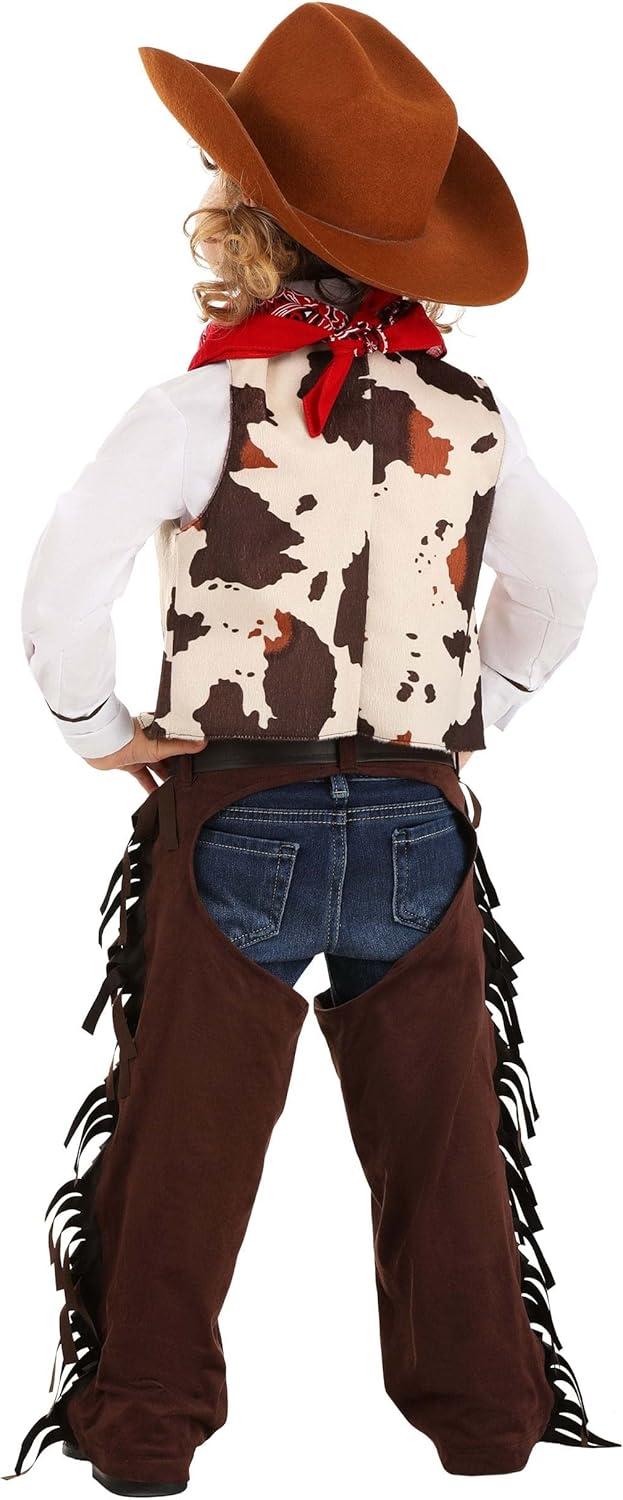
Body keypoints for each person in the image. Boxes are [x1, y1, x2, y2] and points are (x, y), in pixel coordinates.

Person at [10, 5, 615, 1495]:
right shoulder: (469, 415)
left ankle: (144, 1432)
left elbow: (62, 583)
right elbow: (565, 586)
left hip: (236, 818)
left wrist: (99, 730)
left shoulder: (202, 403)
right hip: (418, 825)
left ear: (245, 224)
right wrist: (468, 723)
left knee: (183, 1140)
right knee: (446, 1139)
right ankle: (489, 1422)